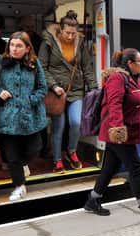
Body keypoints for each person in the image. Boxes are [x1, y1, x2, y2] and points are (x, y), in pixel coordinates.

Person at [83, 48, 140, 222]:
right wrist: (118, 130)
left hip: (123, 130)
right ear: (130, 63)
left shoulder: (132, 78)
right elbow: (114, 104)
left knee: (110, 167)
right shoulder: (118, 78)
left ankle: (93, 200)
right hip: (118, 131)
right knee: (135, 166)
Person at [39, 10, 98, 172]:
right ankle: (57, 159)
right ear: (60, 30)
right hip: (57, 92)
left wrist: (94, 88)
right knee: (59, 126)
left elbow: (87, 67)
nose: (71, 36)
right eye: (67, 33)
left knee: (76, 123)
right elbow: (41, 67)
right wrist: (53, 85)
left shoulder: (80, 43)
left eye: (74, 33)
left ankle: (71, 151)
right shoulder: (48, 42)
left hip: (75, 90)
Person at [0, 31, 47, 201]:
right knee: (11, 156)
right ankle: (19, 186)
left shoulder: (34, 63)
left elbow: (42, 87)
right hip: (7, 117)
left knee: (35, 149)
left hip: (30, 116)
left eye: (19, 46)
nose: (14, 49)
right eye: (12, 45)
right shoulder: (0, 62)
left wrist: (31, 99)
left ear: (27, 48)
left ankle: (23, 165)